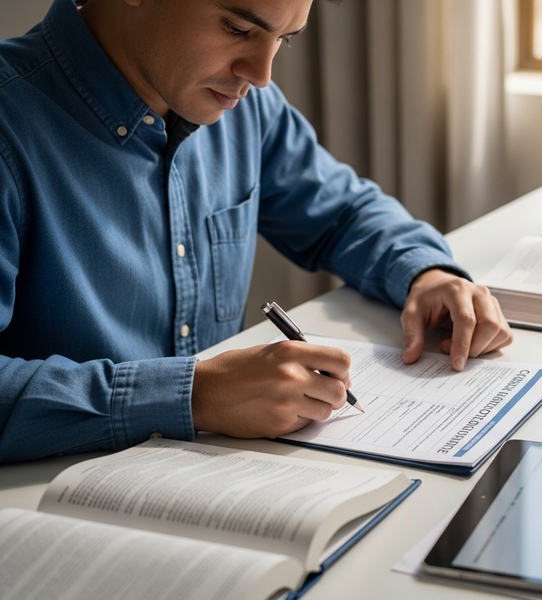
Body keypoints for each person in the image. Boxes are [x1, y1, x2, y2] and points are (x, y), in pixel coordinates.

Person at [0, 0, 513, 463]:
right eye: (238, 28)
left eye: (283, 41)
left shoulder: (241, 105)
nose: (262, 75)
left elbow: (343, 211)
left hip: (219, 476)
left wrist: (424, 272)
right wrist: (193, 395)